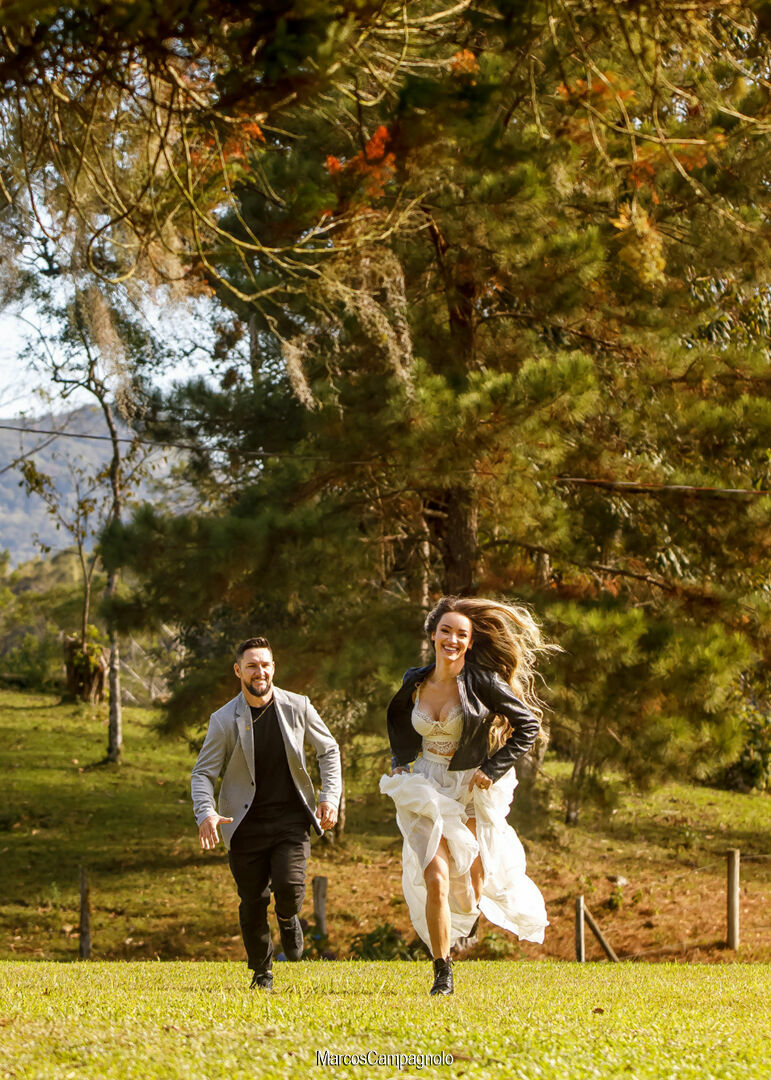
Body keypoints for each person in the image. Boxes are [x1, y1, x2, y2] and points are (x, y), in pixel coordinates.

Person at [380, 596, 551, 996]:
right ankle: (443, 970)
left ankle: (470, 913)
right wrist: (399, 761)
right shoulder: (415, 680)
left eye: (461, 634)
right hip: (425, 786)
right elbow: (399, 725)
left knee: (469, 887)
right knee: (435, 876)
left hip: (469, 788)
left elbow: (528, 725)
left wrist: (491, 770)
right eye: (445, 631)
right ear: (433, 634)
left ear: (470, 642)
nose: (452, 640)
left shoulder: (481, 683)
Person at [191, 636, 341, 990]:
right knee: (253, 900)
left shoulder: (298, 706)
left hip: (290, 820)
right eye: (252, 666)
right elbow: (203, 773)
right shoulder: (224, 719)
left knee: (289, 887)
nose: (260, 672)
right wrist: (206, 813)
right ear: (238, 671)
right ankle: (262, 971)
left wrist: (329, 797)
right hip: (242, 824)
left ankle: (288, 917)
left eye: (266, 665)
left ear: (274, 668)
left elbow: (329, 750)